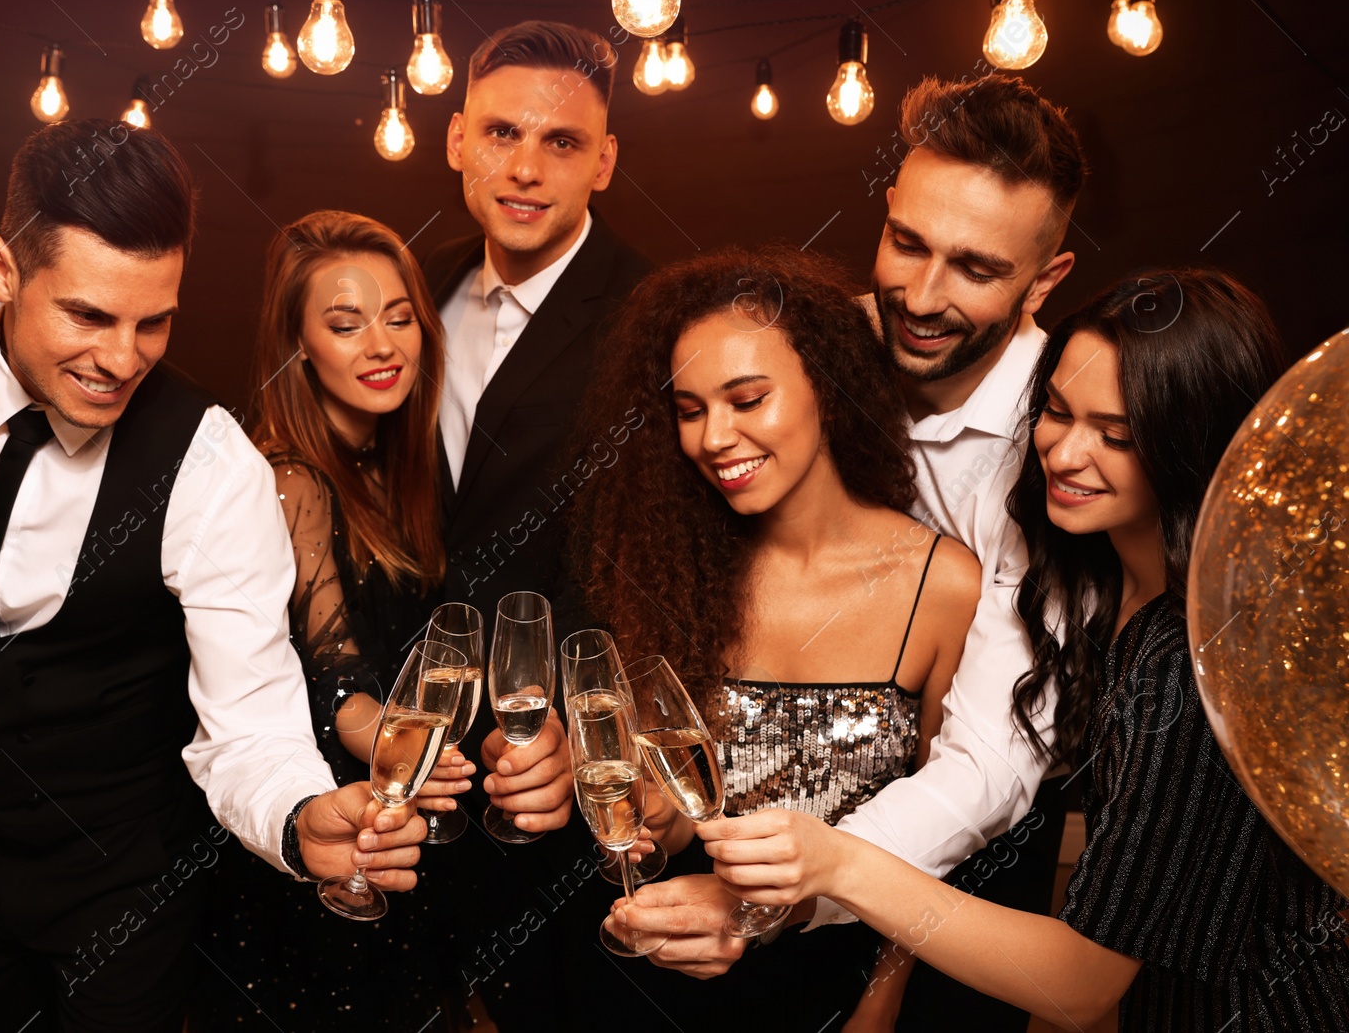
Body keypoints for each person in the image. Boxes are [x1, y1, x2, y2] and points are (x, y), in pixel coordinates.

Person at [0, 122, 426, 1031]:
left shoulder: (210, 462)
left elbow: (251, 722)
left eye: (154, 320)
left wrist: (300, 812)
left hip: (128, 880)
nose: (122, 359)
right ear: (3, 268)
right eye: (88, 315)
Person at [678, 269, 1349, 1030]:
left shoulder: (1191, 656)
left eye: (1117, 434)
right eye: (1057, 412)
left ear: (1192, 444)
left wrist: (838, 861)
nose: (1064, 453)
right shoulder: (1104, 590)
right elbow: (986, 763)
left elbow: (1082, 980)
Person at [621, 72, 1086, 1031]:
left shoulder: (1064, 445)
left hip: (959, 894)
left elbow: (984, 767)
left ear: (1046, 280)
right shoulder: (820, 345)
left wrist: (782, 896)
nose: (920, 295)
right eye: (906, 243)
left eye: (976, 268)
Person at [571, 245, 980, 1027]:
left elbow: (949, 843)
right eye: (689, 410)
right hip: (681, 965)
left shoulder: (942, 585)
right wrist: (653, 826)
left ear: (826, 387)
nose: (714, 437)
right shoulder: (676, 568)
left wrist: (881, 1000)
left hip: (840, 978)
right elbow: (669, 804)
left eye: (746, 399)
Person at [418, 20, 653, 1029]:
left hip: (557, 773)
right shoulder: (404, 294)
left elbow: (661, 554)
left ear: (603, 161)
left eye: (561, 143)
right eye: (503, 132)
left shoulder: (654, 315)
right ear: (457, 138)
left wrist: (585, 712)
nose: (525, 167)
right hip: (403, 763)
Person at [188, 210, 455, 1029]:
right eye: (346, 323)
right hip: (311, 835)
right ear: (299, 345)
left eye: (399, 316)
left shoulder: (394, 461)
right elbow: (331, 664)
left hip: (379, 822)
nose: (382, 344)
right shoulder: (284, 476)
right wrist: (393, 738)